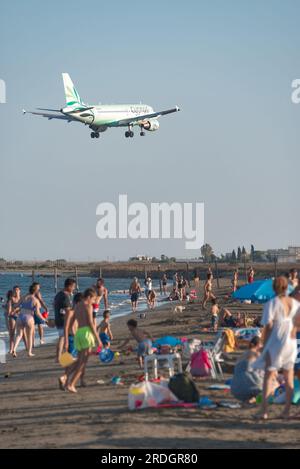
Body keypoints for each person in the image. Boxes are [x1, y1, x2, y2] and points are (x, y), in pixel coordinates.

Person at [252, 276, 300, 420]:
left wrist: (263, 345)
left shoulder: (272, 303)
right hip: (291, 343)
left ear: (274, 288)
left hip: (276, 342)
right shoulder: (294, 303)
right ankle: (286, 411)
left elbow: (268, 327)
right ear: (287, 288)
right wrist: (292, 331)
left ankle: (265, 411)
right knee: (289, 377)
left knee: (269, 376)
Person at [63, 288, 102, 393]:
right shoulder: (88, 306)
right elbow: (90, 323)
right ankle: (71, 384)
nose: (94, 302)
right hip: (86, 333)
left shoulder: (77, 306)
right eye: (93, 299)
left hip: (79, 333)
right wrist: (98, 339)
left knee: (79, 360)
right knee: (83, 362)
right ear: (89, 297)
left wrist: (68, 335)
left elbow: (71, 322)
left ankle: (67, 381)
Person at [13, 285, 46, 357]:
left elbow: (15, 306)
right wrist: (44, 319)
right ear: (36, 291)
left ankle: (14, 349)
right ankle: (29, 352)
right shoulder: (35, 300)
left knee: (19, 335)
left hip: (20, 316)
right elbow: (37, 313)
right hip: (29, 317)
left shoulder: (23, 297)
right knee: (30, 336)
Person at [231, 337, 264, 403]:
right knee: (272, 384)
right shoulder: (256, 353)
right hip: (250, 387)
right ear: (257, 345)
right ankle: (258, 400)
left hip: (235, 389)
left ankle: (251, 399)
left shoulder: (243, 355)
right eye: (261, 345)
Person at [54, 278, 77, 363]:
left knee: (63, 338)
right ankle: (61, 357)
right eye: (73, 287)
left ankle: (60, 357)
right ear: (69, 286)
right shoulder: (65, 296)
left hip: (58, 318)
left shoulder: (59, 294)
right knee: (63, 338)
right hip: (63, 319)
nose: (74, 288)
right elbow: (68, 311)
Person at [4, 290, 19, 354]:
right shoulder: (15, 300)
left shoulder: (10, 300)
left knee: (11, 334)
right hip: (15, 316)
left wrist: (5, 307)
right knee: (17, 334)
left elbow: (9, 310)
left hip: (9, 317)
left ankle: (11, 349)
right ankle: (13, 348)